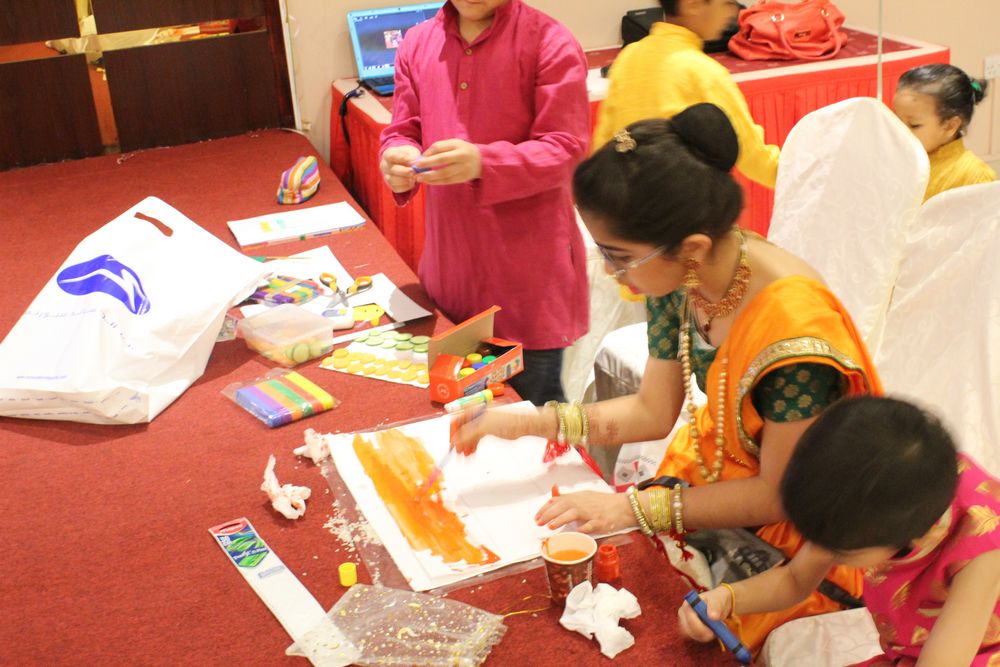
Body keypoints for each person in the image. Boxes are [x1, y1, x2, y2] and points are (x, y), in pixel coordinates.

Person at [453, 103, 882, 652]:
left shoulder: (794, 339)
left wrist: (631, 508)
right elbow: (652, 411)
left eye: (619, 257)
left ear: (692, 247)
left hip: (795, 535)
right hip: (715, 477)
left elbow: (779, 496)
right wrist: (525, 422)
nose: (612, 274)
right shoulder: (687, 272)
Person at [679, 396, 1000, 666]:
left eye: (839, 553)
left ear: (907, 536)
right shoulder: (877, 488)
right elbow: (795, 579)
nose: (823, 553)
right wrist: (724, 599)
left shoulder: (982, 550)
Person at [378, 0, 590, 405]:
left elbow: (567, 150)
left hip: (526, 289)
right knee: (453, 415)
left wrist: (484, 162)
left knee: (532, 417)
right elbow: (403, 129)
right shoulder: (418, 42)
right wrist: (397, 157)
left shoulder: (550, 43)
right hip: (449, 274)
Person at [593, 0, 779, 188]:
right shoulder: (702, 71)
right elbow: (752, 154)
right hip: (680, 199)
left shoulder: (629, 56)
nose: (732, 13)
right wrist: (790, 174)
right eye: (727, 3)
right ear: (692, 4)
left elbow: (604, 142)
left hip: (627, 196)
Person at [893, 63, 996, 202]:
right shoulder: (896, 157)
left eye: (914, 125)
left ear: (950, 126)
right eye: (895, 119)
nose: (900, 130)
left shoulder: (974, 177)